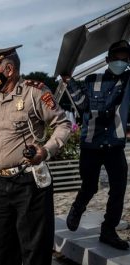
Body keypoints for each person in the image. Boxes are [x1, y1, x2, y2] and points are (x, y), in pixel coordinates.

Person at [0, 45, 71, 265]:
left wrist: (45, 150)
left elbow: (63, 124)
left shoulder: (34, 92)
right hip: (0, 183)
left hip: (28, 183)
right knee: (3, 249)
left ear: (9, 70)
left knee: (33, 251)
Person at [62, 40, 130, 250]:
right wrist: (69, 82)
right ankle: (77, 208)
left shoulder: (129, 80)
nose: (120, 62)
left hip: (114, 145)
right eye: (116, 58)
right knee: (89, 185)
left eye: (124, 59)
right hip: (91, 144)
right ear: (107, 60)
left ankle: (108, 230)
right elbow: (82, 105)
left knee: (118, 188)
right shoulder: (92, 80)